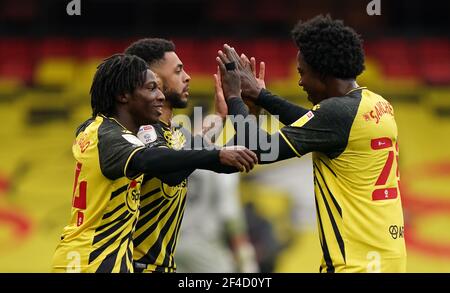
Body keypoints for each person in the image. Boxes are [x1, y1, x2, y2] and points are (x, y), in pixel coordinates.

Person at [216, 15, 407, 273]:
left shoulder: (336, 115)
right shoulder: (375, 104)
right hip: (389, 258)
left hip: (355, 264)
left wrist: (234, 97)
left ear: (323, 72)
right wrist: (261, 96)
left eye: (302, 73)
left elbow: (260, 150)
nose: (300, 82)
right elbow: (313, 124)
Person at [51, 54, 257, 273]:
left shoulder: (105, 131)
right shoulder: (110, 137)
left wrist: (238, 116)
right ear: (123, 95)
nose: (160, 96)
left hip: (108, 259)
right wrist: (216, 155)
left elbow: (183, 153)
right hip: (89, 261)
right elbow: (154, 161)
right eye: (151, 89)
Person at [124, 38, 234, 273]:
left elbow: (192, 145)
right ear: (152, 78)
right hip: (134, 266)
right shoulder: (141, 132)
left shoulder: (175, 133)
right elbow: (173, 170)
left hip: (162, 265)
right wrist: (217, 156)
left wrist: (220, 117)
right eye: (178, 70)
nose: (187, 77)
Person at [175, 170, 259, 273]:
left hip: (167, 241)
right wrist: (243, 253)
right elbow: (229, 212)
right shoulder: (226, 157)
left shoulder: (171, 155)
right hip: (203, 242)